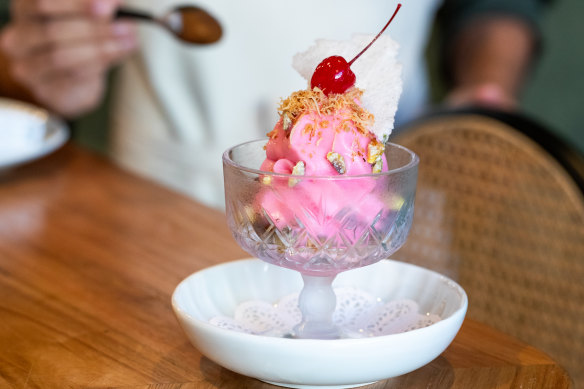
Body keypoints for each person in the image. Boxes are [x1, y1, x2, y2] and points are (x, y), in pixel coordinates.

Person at [0, 0, 547, 208]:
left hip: (378, 205)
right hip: (154, 212)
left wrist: (486, 86)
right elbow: (29, 47)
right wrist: (44, 67)